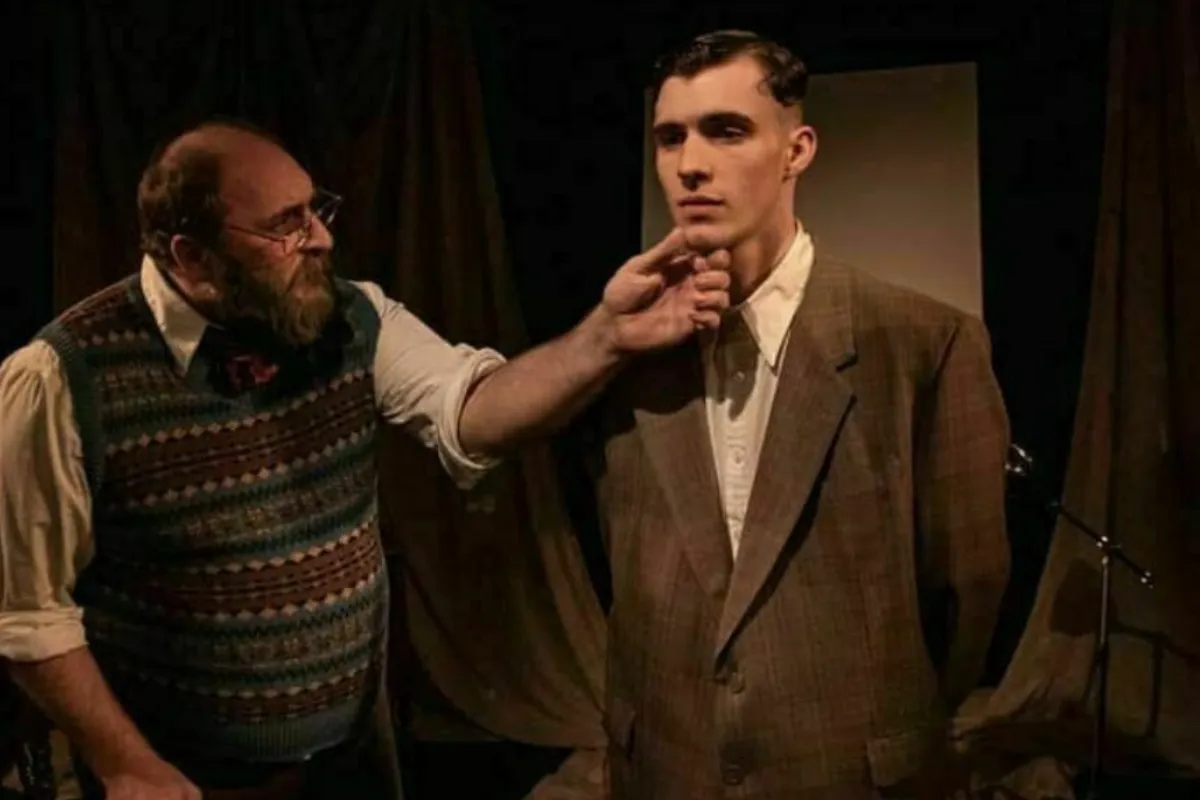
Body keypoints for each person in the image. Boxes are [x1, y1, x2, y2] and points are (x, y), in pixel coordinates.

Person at [0, 119, 731, 799]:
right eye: (285, 225)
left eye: (315, 208)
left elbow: (472, 413)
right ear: (191, 256)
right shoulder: (60, 378)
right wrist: (128, 765)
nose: (319, 239)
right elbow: (32, 615)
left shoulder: (352, 317)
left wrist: (607, 334)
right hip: (183, 778)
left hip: (353, 761)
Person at [592, 30, 1011, 798]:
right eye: (669, 137)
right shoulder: (627, 348)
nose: (689, 164)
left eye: (726, 130)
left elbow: (969, 589)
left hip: (848, 773)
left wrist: (891, 728)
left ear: (798, 149)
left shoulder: (924, 342)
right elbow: (624, 564)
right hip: (665, 770)